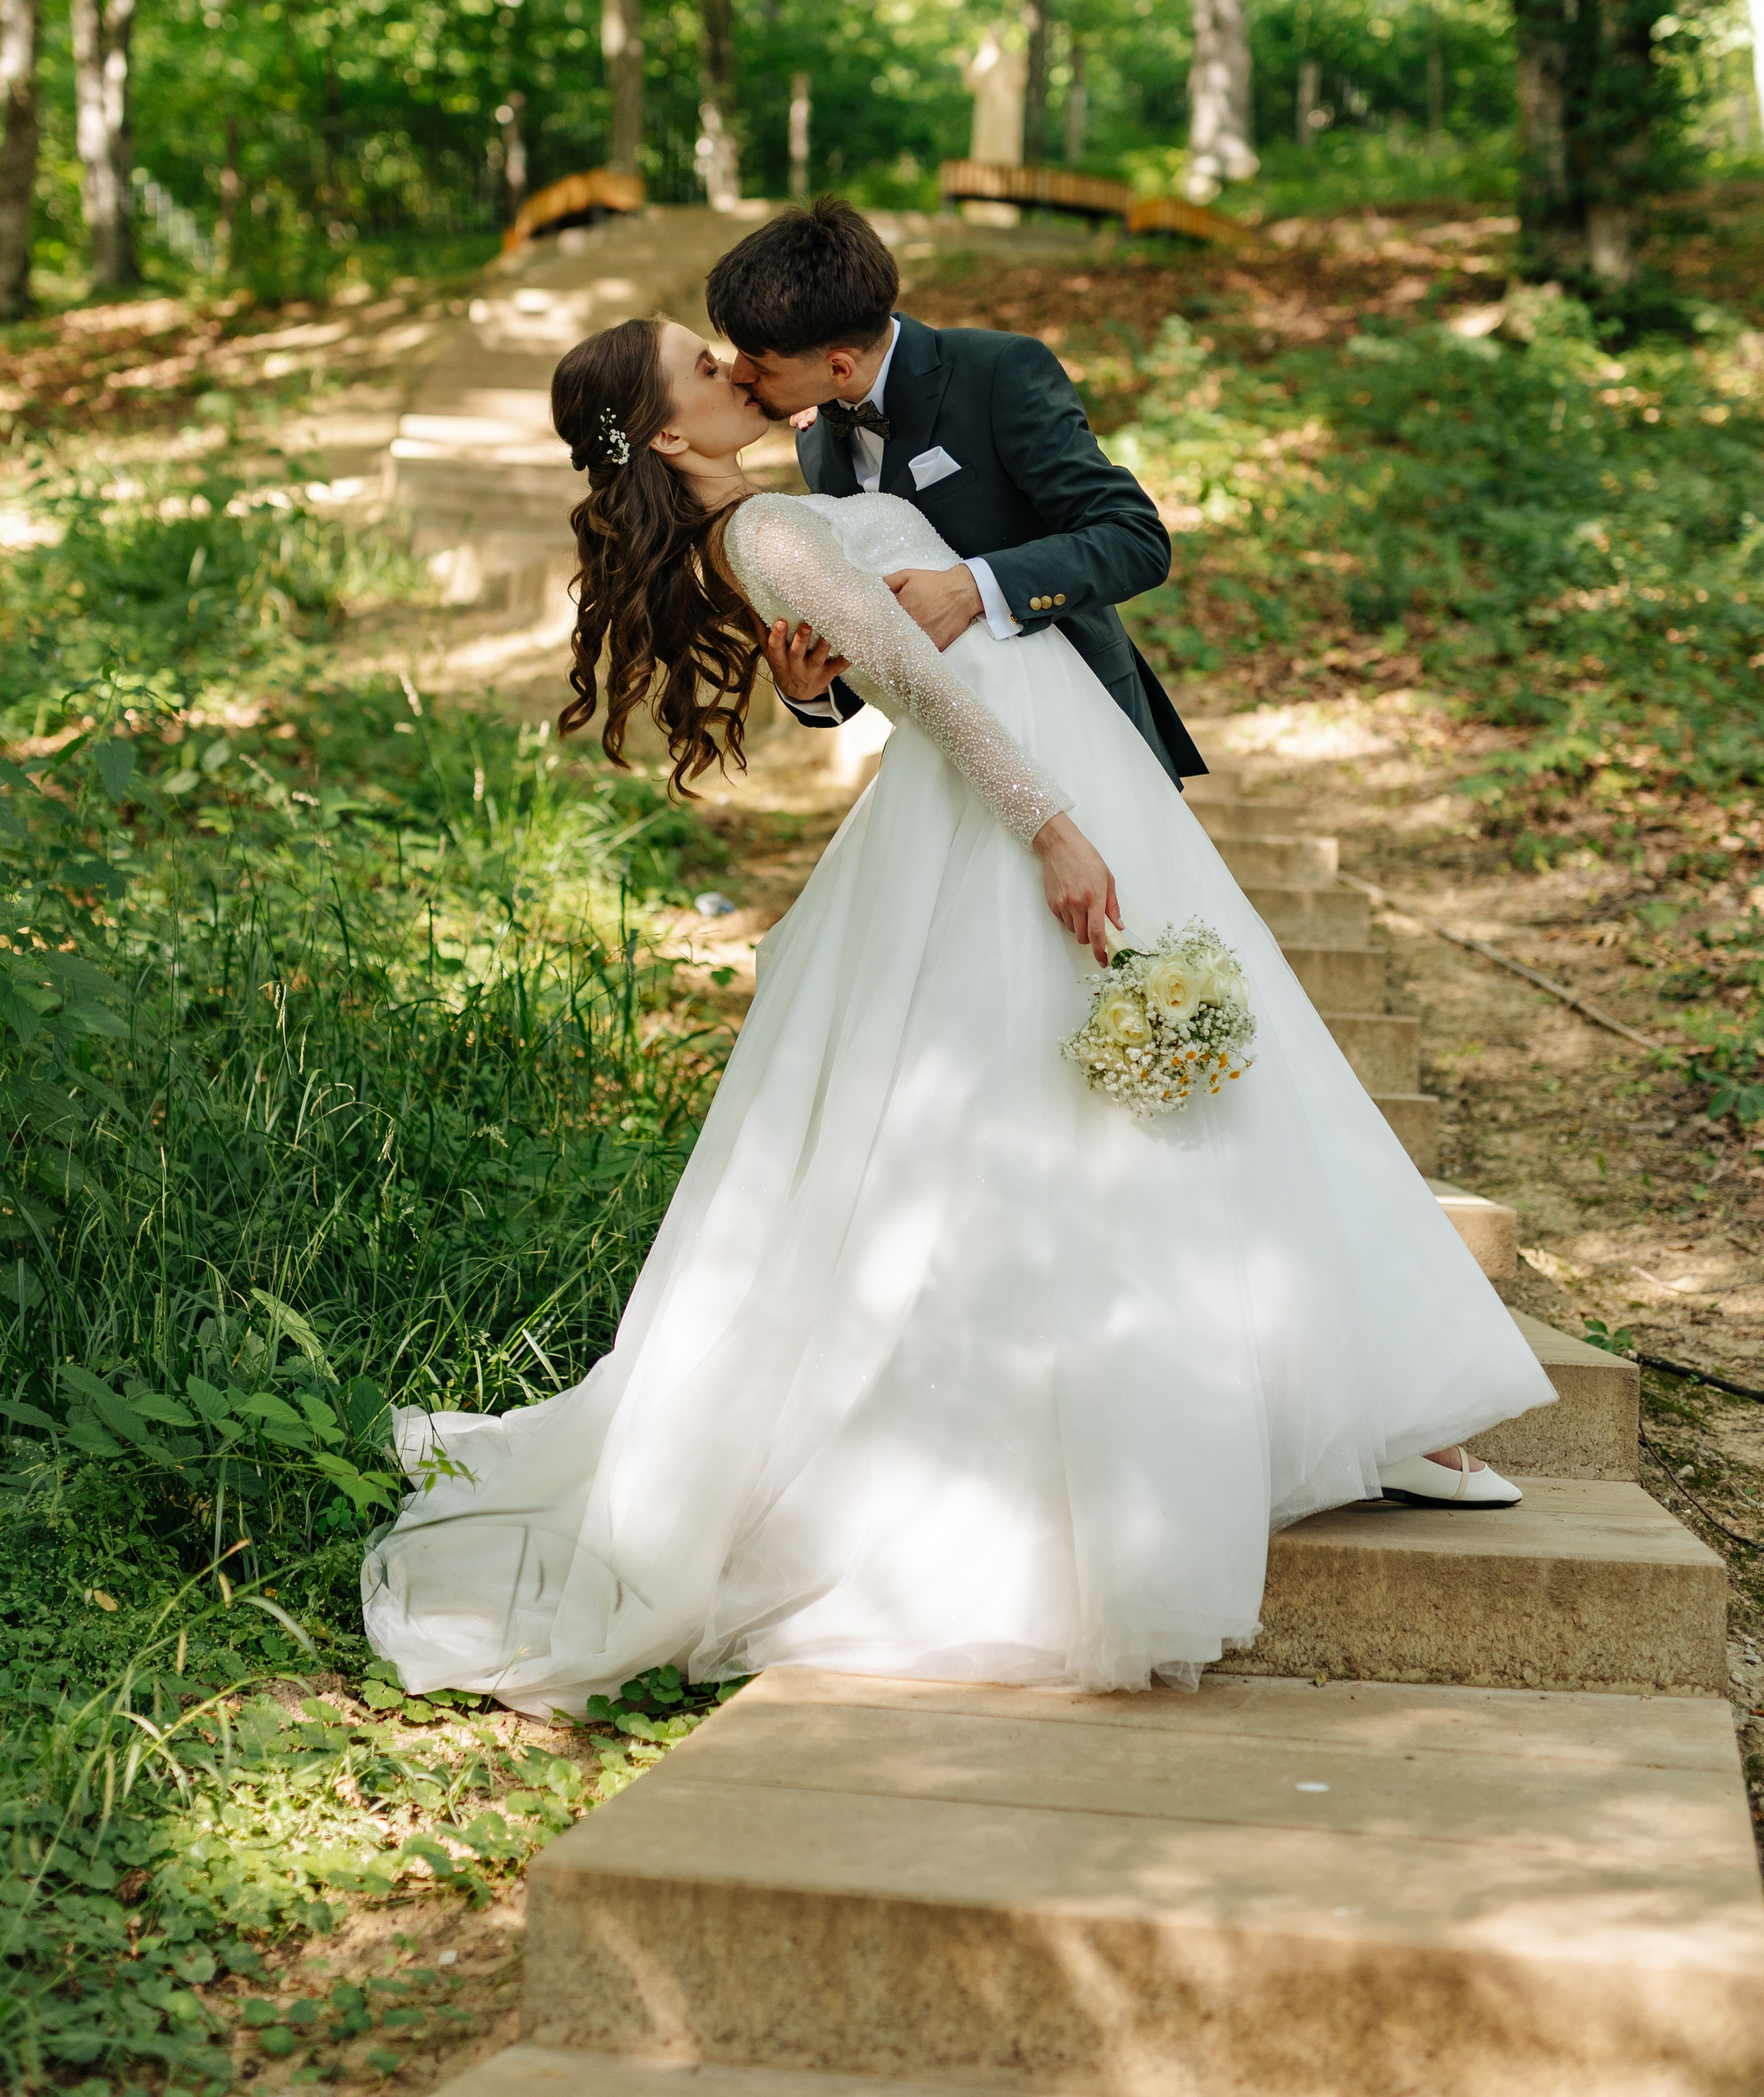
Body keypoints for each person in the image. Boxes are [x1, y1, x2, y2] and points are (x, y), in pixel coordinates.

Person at [361, 303, 1554, 1711]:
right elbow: (917, 682)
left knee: (1191, 1071)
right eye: (704, 365)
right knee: (1116, 1095)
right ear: (672, 431)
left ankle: (1337, 1401)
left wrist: (854, 687)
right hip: (1016, 799)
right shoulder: (762, 528)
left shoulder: (785, 498)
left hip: (1064, 761)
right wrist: (1047, 826)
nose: (736, 371)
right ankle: (1134, 1452)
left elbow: (915, 628)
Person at [704, 197, 1203, 788]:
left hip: (1086, 728)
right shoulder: (817, 439)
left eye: (757, 363)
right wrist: (812, 691)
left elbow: (1135, 539)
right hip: (952, 768)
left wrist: (971, 587)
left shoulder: (1000, 373)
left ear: (839, 367)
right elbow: (880, 629)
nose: (737, 374)